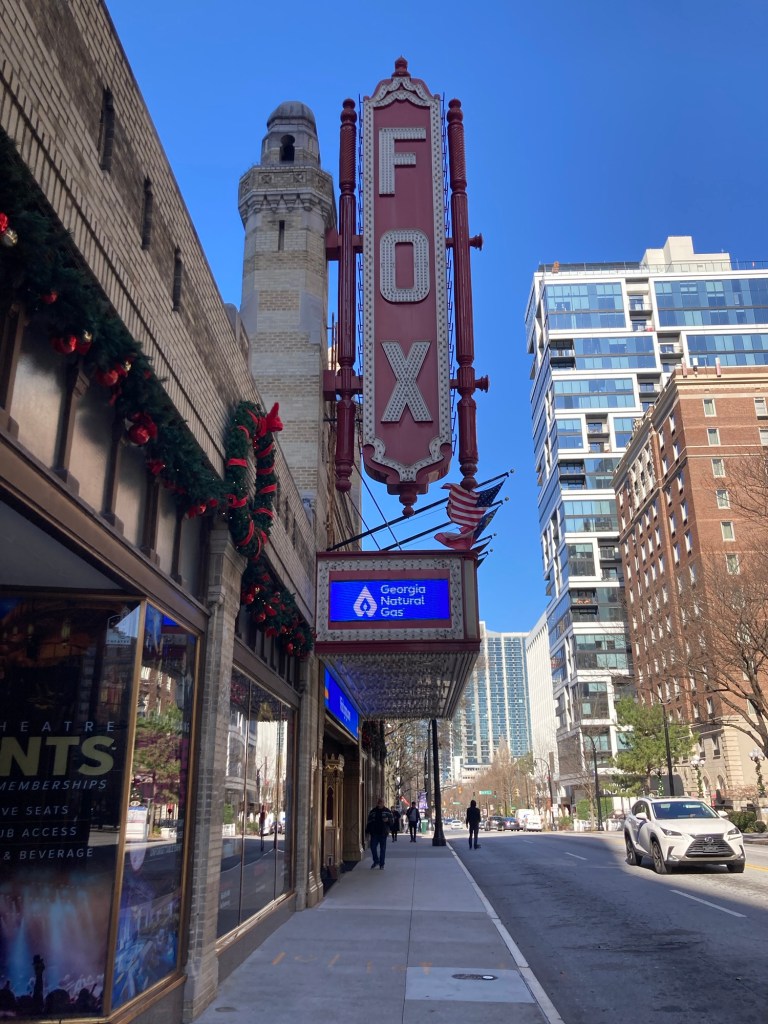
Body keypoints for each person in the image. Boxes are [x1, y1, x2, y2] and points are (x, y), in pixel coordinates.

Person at [365, 797, 393, 869]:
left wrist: (388, 820)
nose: (379, 803)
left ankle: (382, 864)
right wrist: (367, 831)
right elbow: (369, 821)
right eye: (379, 802)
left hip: (383, 833)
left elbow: (392, 822)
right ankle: (376, 861)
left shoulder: (387, 811)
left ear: (383, 803)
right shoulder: (373, 811)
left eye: (381, 802)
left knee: (382, 849)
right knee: (373, 847)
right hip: (374, 833)